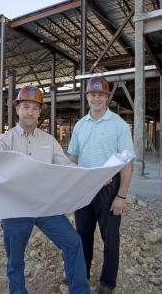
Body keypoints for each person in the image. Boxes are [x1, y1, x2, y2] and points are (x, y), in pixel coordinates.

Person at [0, 85, 90, 294]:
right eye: (26, 107)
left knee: (73, 242)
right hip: (14, 210)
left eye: (35, 108)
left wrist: (91, 174)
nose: (30, 112)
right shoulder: (4, 141)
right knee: (15, 259)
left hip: (45, 207)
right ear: (17, 109)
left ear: (39, 112)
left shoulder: (48, 141)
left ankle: (80, 290)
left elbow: (66, 165)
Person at [68, 76, 134, 294]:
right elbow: (73, 158)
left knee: (111, 239)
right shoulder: (80, 125)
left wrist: (121, 196)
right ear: (87, 97)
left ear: (107, 97)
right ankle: (81, 275)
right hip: (84, 188)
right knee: (82, 236)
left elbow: (126, 163)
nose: (96, 98)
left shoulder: (119, 125)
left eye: (101, 94)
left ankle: (107, 283)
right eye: (92, 94)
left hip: (109, 189)